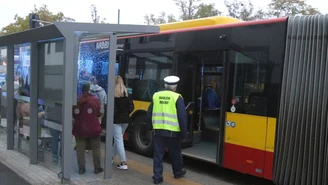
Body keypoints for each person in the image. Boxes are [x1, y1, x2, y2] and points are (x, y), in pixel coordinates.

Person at [147, 75, 188, 185]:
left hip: (158, 131)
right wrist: (184, 134)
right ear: (175, 87)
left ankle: (157, 177)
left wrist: (150, 127)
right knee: (175, 154)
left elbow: (149, 113)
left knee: (158, 155)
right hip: (173, 132)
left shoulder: (156, 95)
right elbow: (182, 117)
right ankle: (178, 172)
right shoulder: (177, 97)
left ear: (165, 85)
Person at [72, 83, 103, 175]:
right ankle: (97, 168)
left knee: (80, 149)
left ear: (82, 90)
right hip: (93, 128)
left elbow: (74, 114)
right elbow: (99, 113)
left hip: (80, 129)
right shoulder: (95, 100)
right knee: (96, 148)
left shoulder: (77, 100)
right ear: (90, 90)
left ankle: (81, 169)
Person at [113, 75, 134, 170]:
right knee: (118, 140)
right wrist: (126, 113)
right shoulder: (127, 93)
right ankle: (110, 157)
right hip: (126, 120)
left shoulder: (114, 94)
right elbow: (132, 107)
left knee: (118, 141)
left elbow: (112, 108)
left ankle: (123, 162)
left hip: (116, 120)